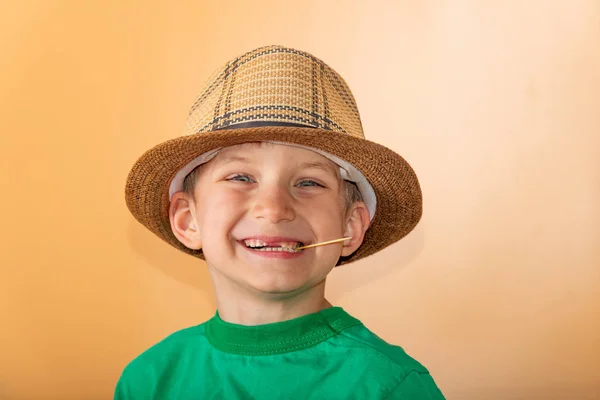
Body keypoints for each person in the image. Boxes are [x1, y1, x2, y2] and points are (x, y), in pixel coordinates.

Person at [116, 45, 445, 399]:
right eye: (240, 177)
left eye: (309, 183)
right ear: (187, 220)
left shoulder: (391, 385)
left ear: (349, 228)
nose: (273, 209)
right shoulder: (149, 380)